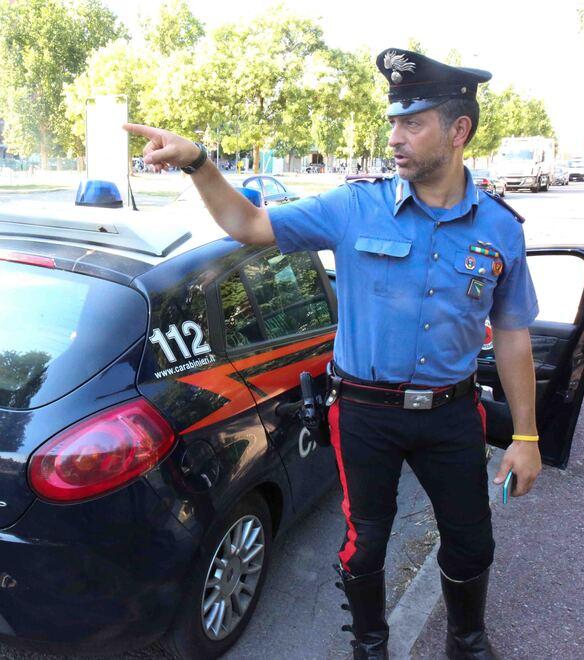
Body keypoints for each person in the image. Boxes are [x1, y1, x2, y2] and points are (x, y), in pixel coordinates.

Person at [124, 46, 541, 660]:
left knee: (472, 540)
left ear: (459, 131)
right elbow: (248, 224)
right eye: (393, 121)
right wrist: (199, 164)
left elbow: (511, 333)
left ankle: (467, 640)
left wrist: (526, 436)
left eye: (413, 122)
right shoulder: (353, 207)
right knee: (365, 542)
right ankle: (370, 644)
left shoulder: (500, 228)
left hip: (452, 415)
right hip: (365, 413)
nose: (395, 136)